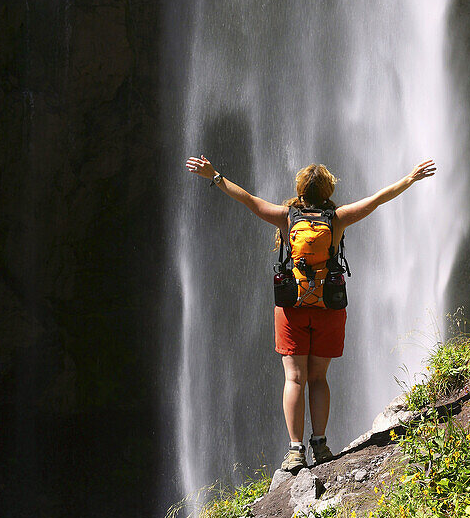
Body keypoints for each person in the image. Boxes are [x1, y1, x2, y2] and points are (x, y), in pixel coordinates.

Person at [184, 154, 436, 472]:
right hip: (329, 307)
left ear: (300, 192)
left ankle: (294, 451)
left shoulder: (287, 218)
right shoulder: (338, 218)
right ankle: (320, 443)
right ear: (328, 192)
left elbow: (247, 199)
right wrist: (410, 178)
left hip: (292, 307)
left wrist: (215, 175)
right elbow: (376, 200)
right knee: (318, 378)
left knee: (294, 377)